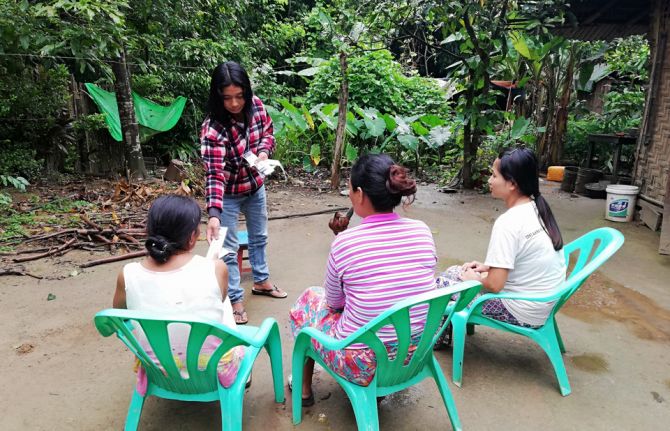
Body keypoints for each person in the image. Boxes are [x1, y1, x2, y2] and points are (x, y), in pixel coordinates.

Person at [289, 154, 437, 406]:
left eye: (349, 188)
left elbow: (334, 303)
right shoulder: (422, 230)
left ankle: (303, 390)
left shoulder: (345, 242)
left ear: (359, 193)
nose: (348, 194)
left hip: (362, 363)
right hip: (414, 354)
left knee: (309, 301)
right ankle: (378, 393)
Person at [112, 195, 244, 391]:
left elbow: (119, 314)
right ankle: (243, 377)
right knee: (223, 309)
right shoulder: (216, 268)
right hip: (211, 370)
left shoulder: (128, 273)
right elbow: (222, 300)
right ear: (192, 238)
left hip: (157, 368)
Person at [436, 147, 566, 333]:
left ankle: (437, 338)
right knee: (454, 271)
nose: (489, 181)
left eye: (494, 176)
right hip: (542, 304)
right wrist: (489, 266)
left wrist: (475, 279)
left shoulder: (508, 222)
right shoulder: (537, 207)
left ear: (512, 183)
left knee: (440, 286)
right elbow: (528, 253)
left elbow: (495, 285)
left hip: (521, 311)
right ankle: (448, 330)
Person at [201, 61, 287, 325]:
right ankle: (235, 299)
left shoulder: (257, 106)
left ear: (247, 93)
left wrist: (263, 152)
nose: (235, 104)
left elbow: (268, 133)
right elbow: (214, 173)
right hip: (227, 193)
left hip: (255, 186)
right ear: (218, 97)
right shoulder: (213, 129)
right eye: (227, 98)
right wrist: (214, 214)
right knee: (227, 248)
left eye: (239, 96)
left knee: (259, 236)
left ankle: (261, 281)